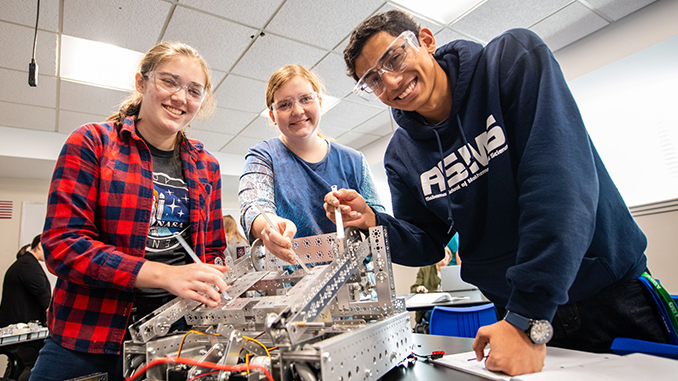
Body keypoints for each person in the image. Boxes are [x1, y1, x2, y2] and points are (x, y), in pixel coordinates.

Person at [323, 9, 669, 376]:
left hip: (605, 296)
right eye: (373, 80)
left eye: (394, 58)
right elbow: (426, 242)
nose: (390, 82)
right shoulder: (401, 156)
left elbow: (558, 186)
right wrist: (374, 221)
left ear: (426, 40)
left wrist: (528, 315)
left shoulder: (511, 61)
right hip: (511, 310)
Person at [31, 41, 229, 381]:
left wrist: (214, 279)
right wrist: (165, 275)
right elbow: (63, 245)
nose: (180, 97)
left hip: (173, 337)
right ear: (142, 82)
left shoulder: (206, 166)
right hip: (88, 336)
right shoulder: (93, 142)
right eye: (169, 81)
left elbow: (211, 250)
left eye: (194, 90)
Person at [239, 64, 384, 265]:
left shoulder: (354, 161)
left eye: (306, 99)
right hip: (291, 285)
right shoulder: (264, 156)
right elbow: (253, 206)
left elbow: (382, 227)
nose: (297, 111)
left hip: (354, 282)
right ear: (272, 116)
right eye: (284, 105)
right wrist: (270, 226)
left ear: (320, 102)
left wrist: (362, 216)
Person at [0, 235, 51, 381]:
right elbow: (45, 298)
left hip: (19, 331)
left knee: (17, 367)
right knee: (31, 367)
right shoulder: (28, 266)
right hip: (23, 332)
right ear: (40, 245)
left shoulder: (27, 264)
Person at [410, 246, 452, 333]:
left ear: (449, 257)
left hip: (448, 304)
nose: (443, 260)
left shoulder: (453, 270)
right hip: (431, 306)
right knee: (433, 314)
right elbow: (414, 288)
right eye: (442, 257)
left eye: (446, 257)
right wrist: (419, 288)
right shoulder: (425, 269)